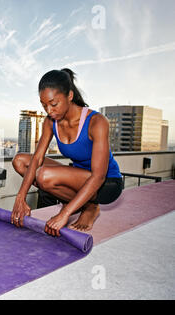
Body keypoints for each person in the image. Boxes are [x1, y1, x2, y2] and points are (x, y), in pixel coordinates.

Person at [11, 68, 123, 236]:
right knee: (19, 161)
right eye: (44, 105)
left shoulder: (96, 121)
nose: (49, 110)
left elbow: (98, 175)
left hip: (107, 183)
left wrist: (65, 214)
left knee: (44, 176)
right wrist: (21, 197)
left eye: (53, 104)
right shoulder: (50, 122)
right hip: (80, 176)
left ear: (69, 96)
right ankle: (79, 203)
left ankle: (90, 207)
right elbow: (37, 159)